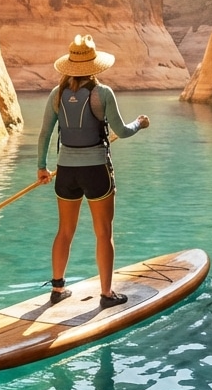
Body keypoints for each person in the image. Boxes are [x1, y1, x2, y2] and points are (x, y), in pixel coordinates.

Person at [37, 34, 150, 307]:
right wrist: (139, 123)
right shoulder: (103, 93)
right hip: (97, 171)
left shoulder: (56, 94)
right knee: (104, 233)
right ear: (95, 65)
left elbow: (44, 135)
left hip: (65, 172)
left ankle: (58, 288)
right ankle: (107, 294)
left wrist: (41, 167)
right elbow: (121, 131)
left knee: (64, 231)